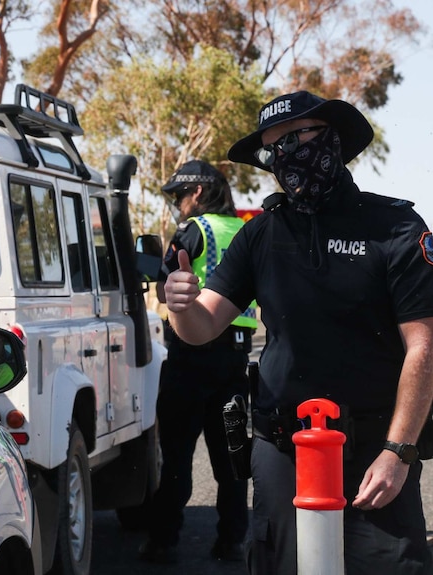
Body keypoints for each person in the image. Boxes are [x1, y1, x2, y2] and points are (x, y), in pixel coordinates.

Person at [164, 90, 433, 574]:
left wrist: (400, 452)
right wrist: (180, 306)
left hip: (376, 450)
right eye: (272, 149)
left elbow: (424, 347)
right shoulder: (261, 233)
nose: (284, 155)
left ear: (331, 137)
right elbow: (203, 326)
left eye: (295, 137)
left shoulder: (395, 227)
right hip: (283, 452)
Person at [140, 160, 255, 564]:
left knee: (176, 457)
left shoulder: (195, 230)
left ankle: (163, 540)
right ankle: (233, 542)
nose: (177, 204)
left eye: (179, 196)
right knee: (234, 460)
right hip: (236, 363)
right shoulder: (246, 230)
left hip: (190, 361)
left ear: (199, 193)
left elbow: (164, 282)